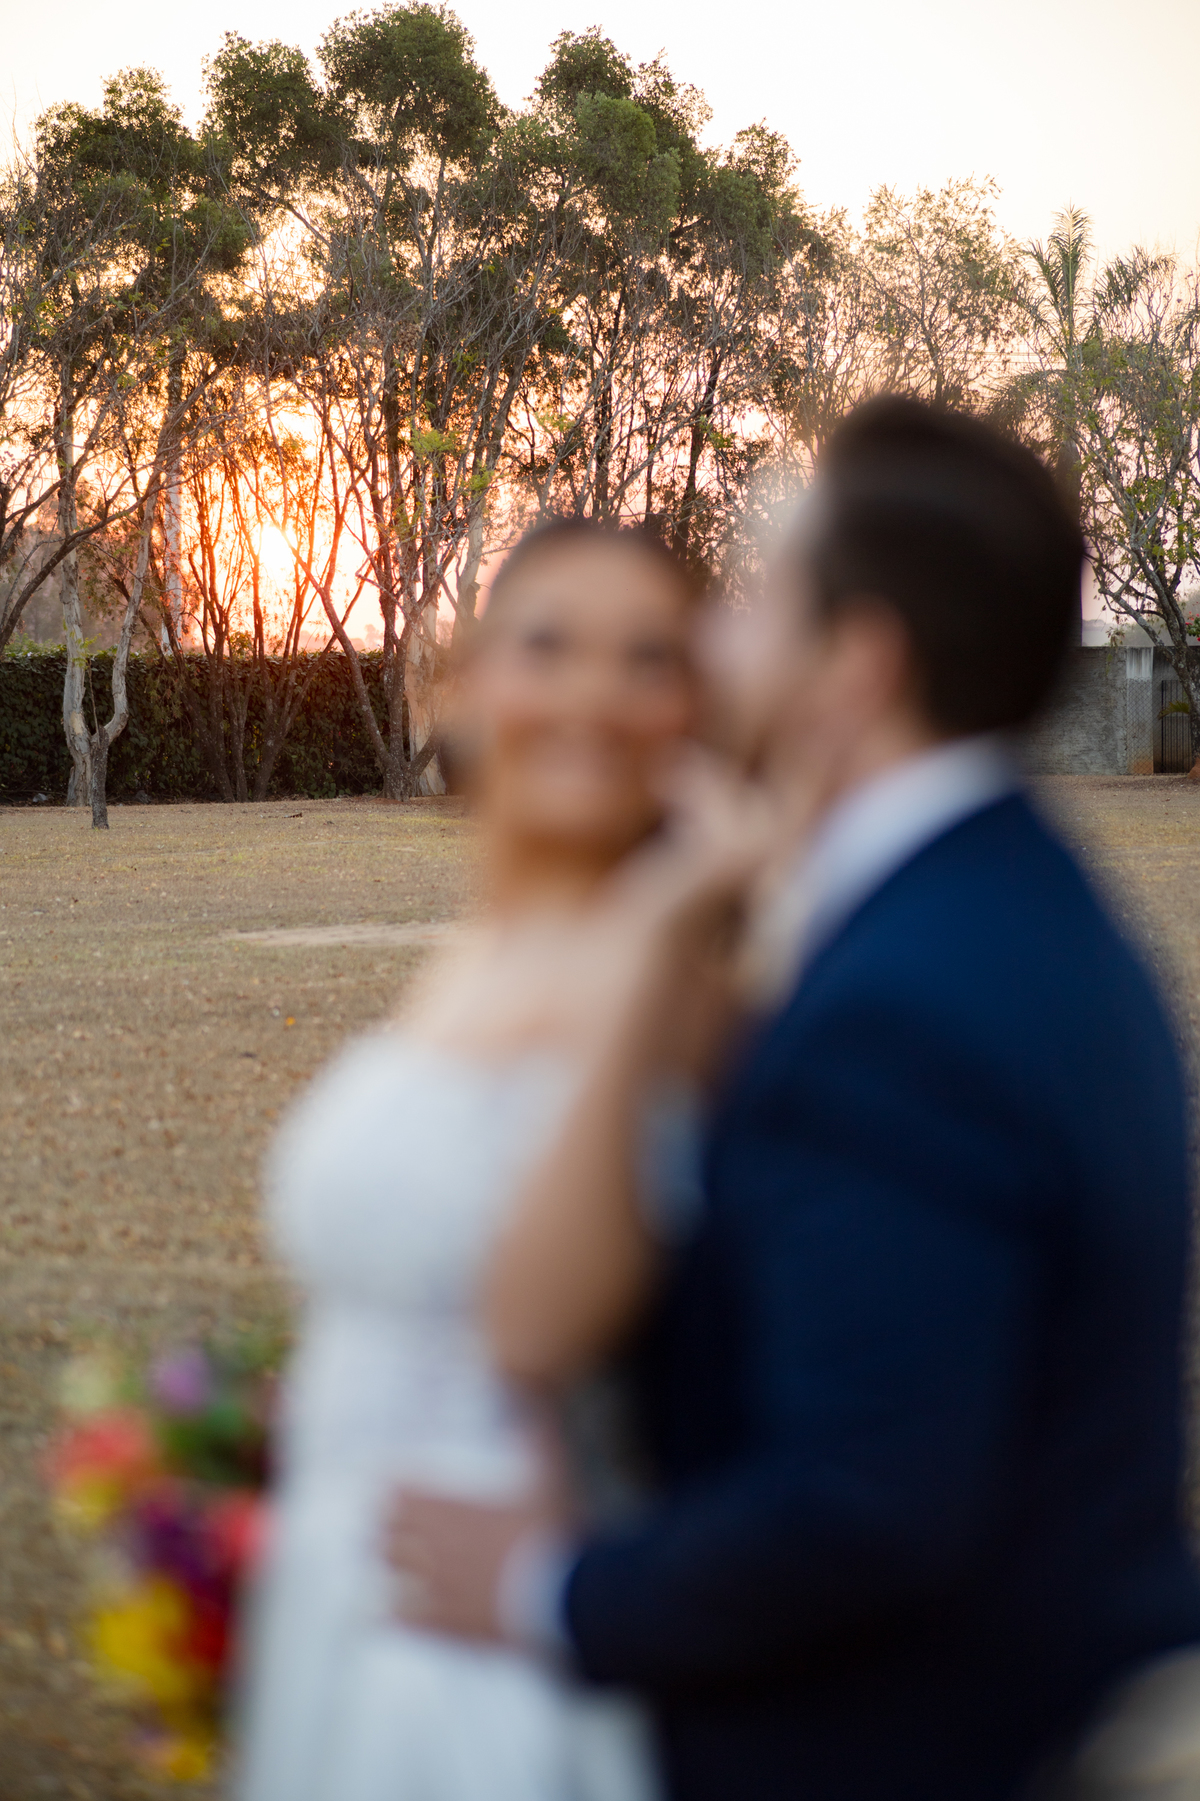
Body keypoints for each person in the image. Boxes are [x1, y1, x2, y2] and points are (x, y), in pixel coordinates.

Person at [388, 398, 1200, 1801]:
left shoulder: (907, 1003)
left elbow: (867, 1502)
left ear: (856, 665)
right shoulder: (1010, 905)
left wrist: (547, 1589)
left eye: (762, 600)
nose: (718, 641)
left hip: (912, 1749)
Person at [236, 520, 707, 1801]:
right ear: (463, 681)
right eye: (549, 646)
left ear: (695, 711)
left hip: (485, 1613)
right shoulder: (485, 946)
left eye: (649, 659)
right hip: (340, 1573)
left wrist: (669, 922)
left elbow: (558, 1327)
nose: (594, 695)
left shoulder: (679, 974)